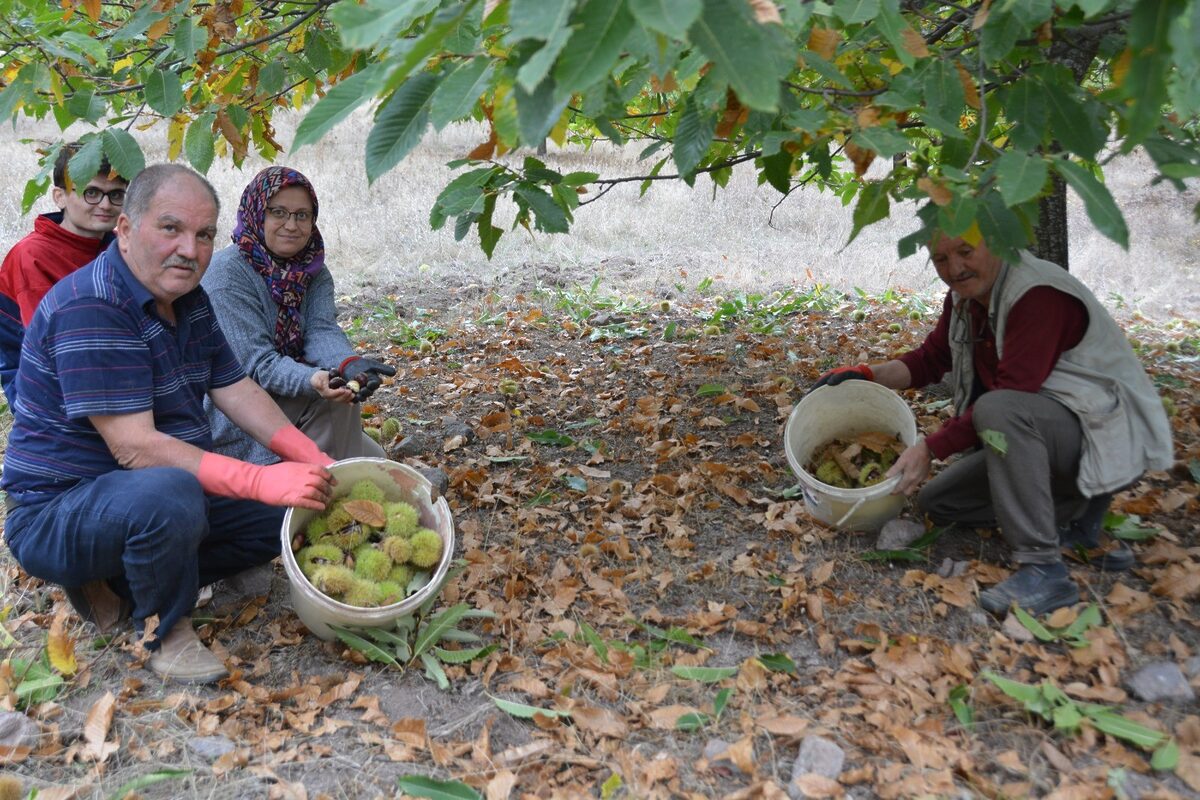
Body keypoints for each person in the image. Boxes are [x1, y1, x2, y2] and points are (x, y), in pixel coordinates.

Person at [1, 164, 337, 684]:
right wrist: (258, 477)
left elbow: (237, 389)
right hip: (59, 509)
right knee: (171, 493)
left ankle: (122, 584)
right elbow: (135, 448)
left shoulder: (189, 300)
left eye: (203, 234)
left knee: (291, 513)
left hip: (147, 491)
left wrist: (310, 458)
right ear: (127, 230)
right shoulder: (94, 302)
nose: (190, 248)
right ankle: (163, 626)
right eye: (171, 228)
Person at [812, 232, 1173, 616]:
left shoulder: (1037, 296)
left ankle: (1043, 568)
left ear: (999, 242)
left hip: (1105, 439)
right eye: (941, 260)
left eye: (966, 252)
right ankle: (1081, 522)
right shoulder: (967, 300)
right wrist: (865, 375)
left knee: (998, 411)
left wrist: (929, 449)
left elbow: (1011, 394)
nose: (955, 269)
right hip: (1051, 439)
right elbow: (931, 359)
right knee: (940, 502)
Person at [201, 166, 394, 466]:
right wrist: (314, 380)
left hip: (287, 398)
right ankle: (313, 500)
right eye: (279, 212)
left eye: (302, 215)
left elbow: (320, 330)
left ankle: (334, 482)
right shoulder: (226, 276)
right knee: (336, 411)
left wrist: (347, 364)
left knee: (377, 463)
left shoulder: (311, 271)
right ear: (257, 213)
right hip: (235, 418)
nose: (291, 225)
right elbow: (256, 365)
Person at [0, 143, 129, 404]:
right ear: (59, 196)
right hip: (43, 386)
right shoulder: (32, 255)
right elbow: (51, 348)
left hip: (112, 366)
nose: (105, 204)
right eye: (91, 192)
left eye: (116, 194)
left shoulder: (120, 248)